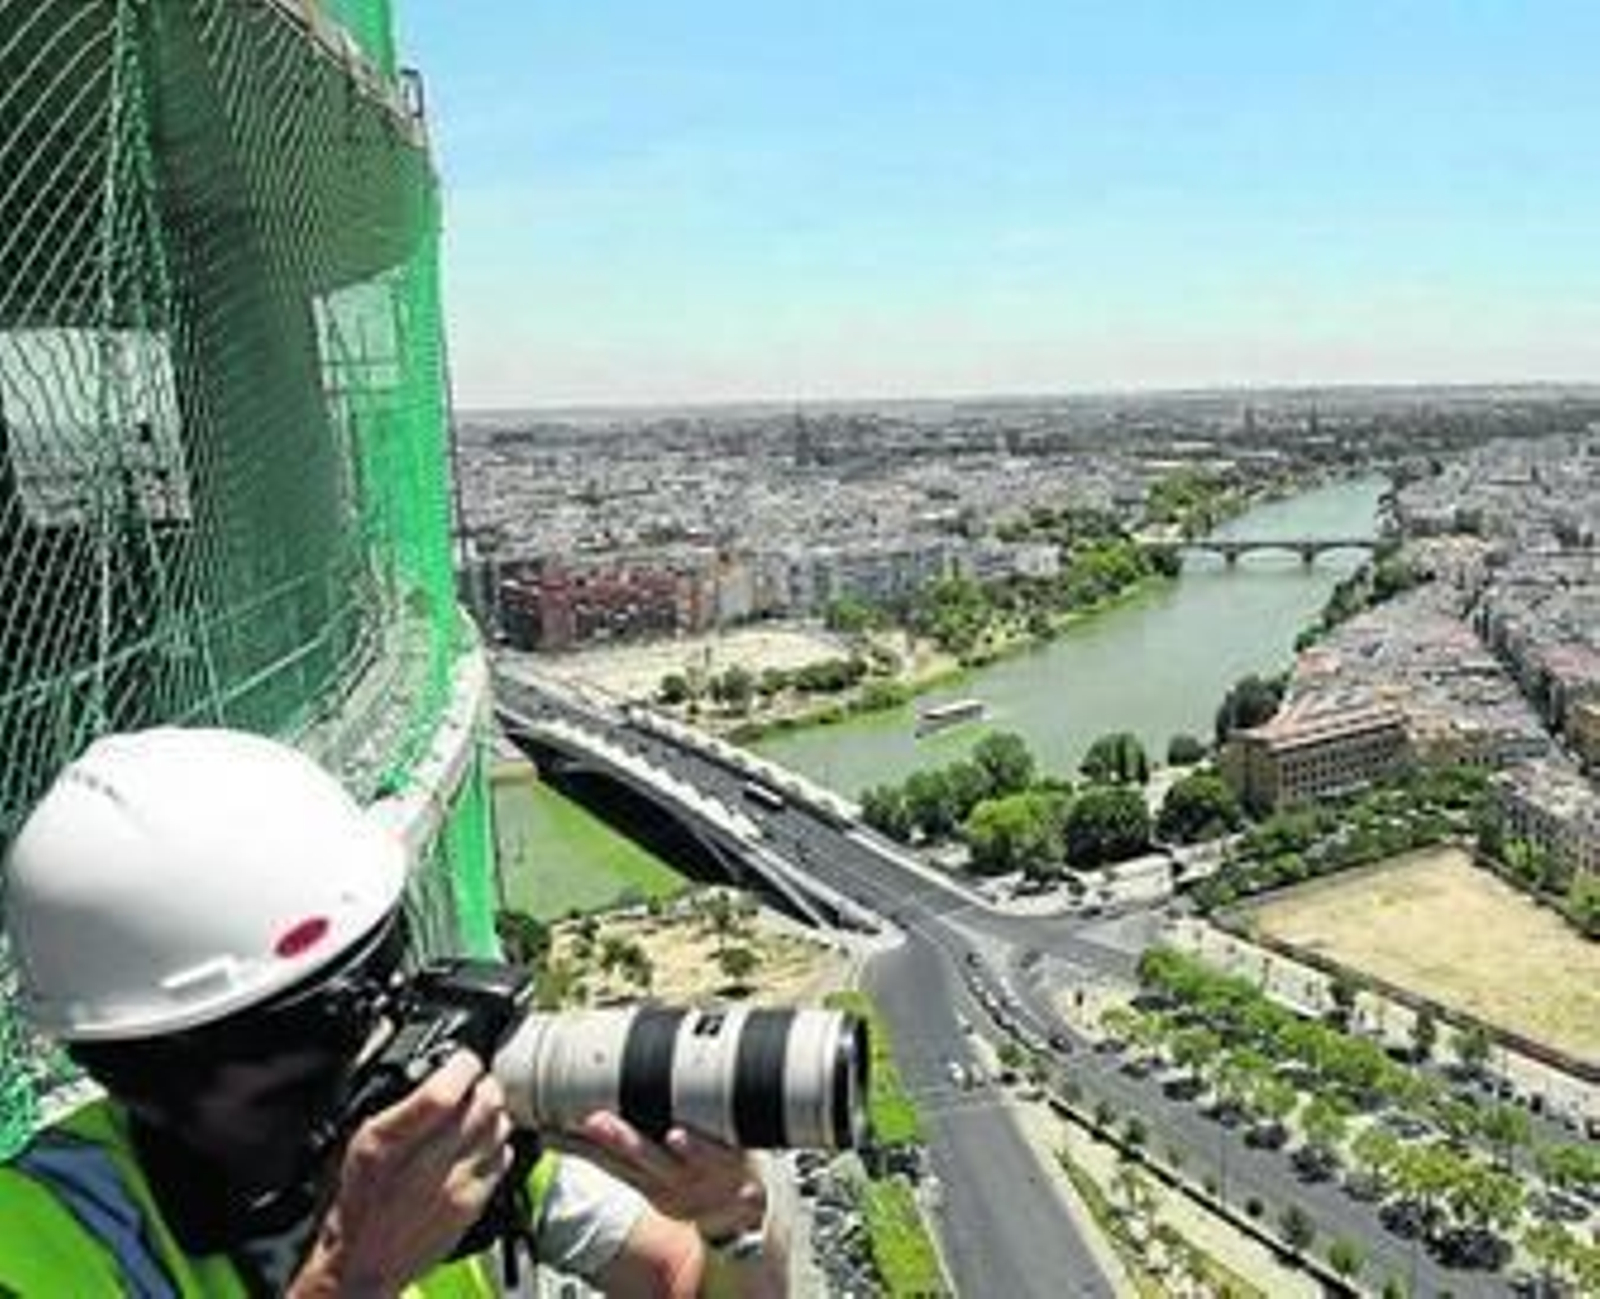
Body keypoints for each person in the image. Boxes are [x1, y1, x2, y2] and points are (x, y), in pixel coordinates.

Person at [0, 727, 788, 1297]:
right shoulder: (37, 1245)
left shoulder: (441, 1135)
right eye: (306, 1043)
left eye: (383, 988)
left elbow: (680, 1278)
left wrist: (734, 1222)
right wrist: (352, 1273)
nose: (373, 1058)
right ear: (138, 1070)